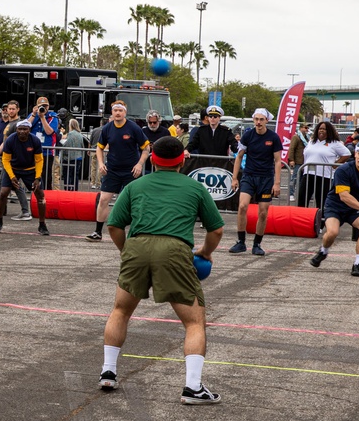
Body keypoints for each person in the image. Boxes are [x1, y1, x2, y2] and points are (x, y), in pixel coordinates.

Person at [98, 136, 224, 403]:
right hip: (175, 250)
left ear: (152, 159)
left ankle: (108, 372)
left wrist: (128, 251)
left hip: (137, 246)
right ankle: (192, 387)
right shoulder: (195, 187)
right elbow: (217, 229)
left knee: (121, 310)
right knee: (194, 322)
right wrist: (205, 253)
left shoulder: (135, 185)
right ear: (182, 160)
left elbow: (113, 225)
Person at [309, 143, 359, 277]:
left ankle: (358, 263)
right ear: (355, 154)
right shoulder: (344, 169)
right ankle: (323, 251)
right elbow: (344, 196)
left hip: (354, 210)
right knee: (332, 233)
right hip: (336, 206)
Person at [87, 101, 149, 241]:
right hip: (112, 170)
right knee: (103, 200)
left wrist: (139, 164)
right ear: (112, 112)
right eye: (115, 110)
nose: (118, 113)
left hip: (131, 171)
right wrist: (101, 163)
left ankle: (137, 232)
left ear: (125, 112)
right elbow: (99, 147)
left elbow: (146, 148)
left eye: (120, 110)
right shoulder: (107, 128)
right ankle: (97, 232)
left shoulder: (133, 128)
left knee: (135, 202)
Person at [228, 109, 282, 255]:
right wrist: (234, 178)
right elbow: (239, 157)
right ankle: (240, 242)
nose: (258, 122)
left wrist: (277, 183)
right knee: (242, 206)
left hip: (266, 178)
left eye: (261, 119)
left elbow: (278, 161)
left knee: (263, 212)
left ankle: (257, 244)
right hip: (249, 176)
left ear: (266, 121)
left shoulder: (274, 137)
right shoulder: (247, 135)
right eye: (256, 119)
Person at [0, 119, 49, 236]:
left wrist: (37, 177)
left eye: (25, 129)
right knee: (3, 193)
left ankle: (42, 224)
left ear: (29, 130)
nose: (22, 132)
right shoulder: (10, 140)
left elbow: (39, 160)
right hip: (13, 168)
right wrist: (12, 177)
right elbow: (6, 160)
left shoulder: (35, 141)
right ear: (16, 130)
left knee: (40, 195)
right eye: (20, 129)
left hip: (30, 170)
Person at [0, 101, 32, 221]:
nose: (11, 111)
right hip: (9, 159)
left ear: (18, 109)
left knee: (13, 185)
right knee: (6, 185)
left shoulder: (17, 124)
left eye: (13, 109)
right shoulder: (10, 123)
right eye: (9, 109)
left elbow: (5, 143)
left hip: (13, 160)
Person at [298, 121, 350, 210]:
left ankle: (320, 222)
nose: (321, 131)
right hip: (308, 174)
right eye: (320, 128)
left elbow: (347, 154)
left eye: (324, 129)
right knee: (302, 199)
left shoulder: (334, 143)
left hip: (324, 176)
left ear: (329, 131)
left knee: (321, 202)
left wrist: (335, 164)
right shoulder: (312, 141)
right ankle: (302, 220)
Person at [28, 96, 60, 189]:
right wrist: (34, 114)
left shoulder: (52, 117)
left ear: (48, 107)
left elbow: (49, 131)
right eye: (41, 106)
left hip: (47, 151)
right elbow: (26, 127)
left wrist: (42, 118)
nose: (44, 108)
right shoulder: (33, 115)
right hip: (33, 150)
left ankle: (47, 193)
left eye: (45, 106)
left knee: (46, 175)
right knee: (32, 173)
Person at [60, 118, 87, 190]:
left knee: (67, 174)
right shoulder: (80, 135)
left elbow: (66, 145)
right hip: (78, 157)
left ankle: (67, 190)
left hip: (69, 157)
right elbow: (82, 146)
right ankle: (75, 190)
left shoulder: (70, 134)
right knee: (75, 175)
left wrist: (63, 155)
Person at [287, 122, 311, 200]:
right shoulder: (296, 137)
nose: (307, 129)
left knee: (302, 180)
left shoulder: (307, 138)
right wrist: (291, 159)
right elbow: (291, 149)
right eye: (305, 127)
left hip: (305, 162)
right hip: (297, 161)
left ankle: (300, 194)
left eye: (307, 128)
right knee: (294, 178)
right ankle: (291, 194)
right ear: (301, 128)